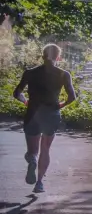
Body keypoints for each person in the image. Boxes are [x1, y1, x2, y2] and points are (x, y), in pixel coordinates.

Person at [13, 43, 76, 194]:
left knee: (32, 151)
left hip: (33, 113)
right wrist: (60, 105)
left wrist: (25, 101)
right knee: (46, 148)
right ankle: (39, 183)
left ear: (42, 56)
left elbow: (17, 93)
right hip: (51, 114)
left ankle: (32, 160)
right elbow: (72, 97)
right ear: (58, 57)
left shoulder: (30, 72)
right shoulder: (63, 74)